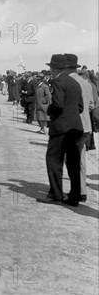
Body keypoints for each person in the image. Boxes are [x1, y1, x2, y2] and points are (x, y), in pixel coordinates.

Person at [38, 54, 84, 206]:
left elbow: (57, 104)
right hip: (76, 127)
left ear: (53, 68)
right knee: (73, 163)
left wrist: (49, 110)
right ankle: (75, 196)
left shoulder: (58, 81)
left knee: (53, 160)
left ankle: (56, 194)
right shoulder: (75, 83)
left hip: (61, 129)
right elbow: (80, 107)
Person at [66, 54, 93, 203]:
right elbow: (91, 105)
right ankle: (82, 191)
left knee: (71, 161)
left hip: (73, 126)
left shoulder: (68, 82)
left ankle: (75, 193)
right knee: (81, 159)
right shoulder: (86, 83)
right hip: (86, 126)